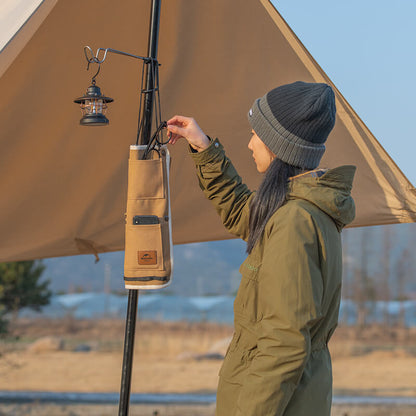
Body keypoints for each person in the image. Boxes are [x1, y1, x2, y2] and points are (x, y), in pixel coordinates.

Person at [167, 81, 356, 416]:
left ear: (279, 147)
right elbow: (244, 212)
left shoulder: (295, 222)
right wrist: (203, 147)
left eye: (258, 134)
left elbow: (284, 343)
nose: (250, 142)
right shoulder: (294, 209)